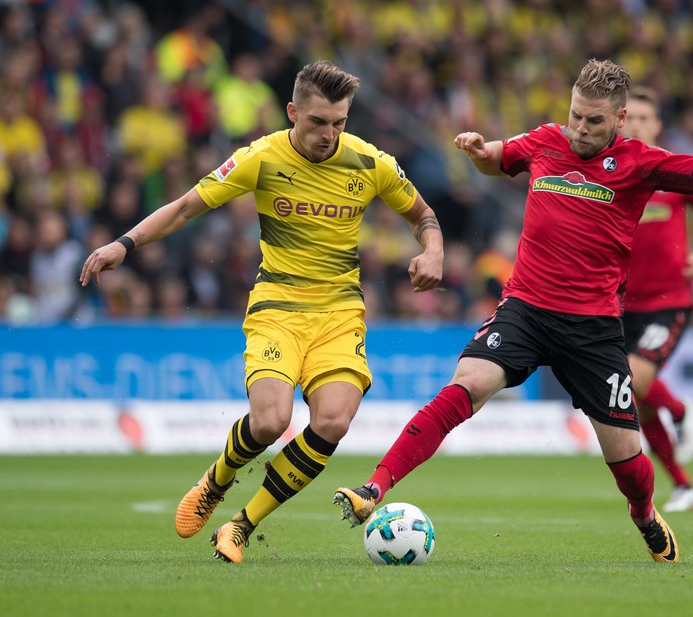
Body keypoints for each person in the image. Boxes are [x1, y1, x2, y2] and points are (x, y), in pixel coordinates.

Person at [335, 59, 693, 563]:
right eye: (576, 116)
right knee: (465, 385)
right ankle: (373, 488)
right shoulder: (546, 140)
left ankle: (644, 513)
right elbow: (496, 158)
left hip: (592, 328)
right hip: (525, 308)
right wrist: (480, 151)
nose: (581, 129)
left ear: (619, 118)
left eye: (594, 121)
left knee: (628, 462)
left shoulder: (641, 161)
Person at [79, 60, 445, 563]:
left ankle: (241, 525)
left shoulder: (370, 162)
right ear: (293, 112)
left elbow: (423, 215)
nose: (329, 134)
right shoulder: (260, 158)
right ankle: (217, 479)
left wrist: (433, 250)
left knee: (333, 422)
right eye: (318, 122)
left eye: (339, 122)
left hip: (340, 312)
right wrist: (126, 243)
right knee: (271, 421)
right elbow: (186, 207)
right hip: (278, 306)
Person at [620, 87, 693, 513]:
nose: (637, 125)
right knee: (639, 399)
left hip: (669, 300)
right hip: (618, 302)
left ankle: (682, 413)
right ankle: (684, 485)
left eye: (646, 118)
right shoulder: (613, 172)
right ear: (620, 120)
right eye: (631, 118)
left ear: (658, 125)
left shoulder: (671, 171)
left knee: (635, 381)